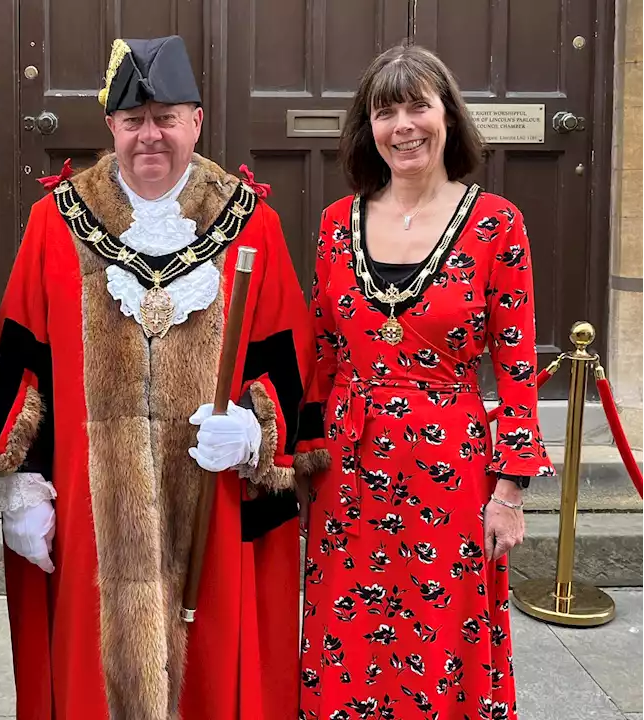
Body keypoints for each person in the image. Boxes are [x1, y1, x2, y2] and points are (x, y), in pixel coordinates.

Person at [0, 35, 319, 720]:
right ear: (111, 125)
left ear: (197, 121)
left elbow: (291, 362)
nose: (150, 136)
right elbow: (22, 366)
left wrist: (256, 433)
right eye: (134, 120)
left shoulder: (253, 223)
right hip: (90, 514)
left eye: (167, 117)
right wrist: (21, 486)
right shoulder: (56, 223)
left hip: (215, 507)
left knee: (213, 671)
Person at [295, 44, 554, 720]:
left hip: (451, 470)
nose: (404, 126)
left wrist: (510, 493)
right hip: (347, 470)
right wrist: (296, 457)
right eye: (386, 113)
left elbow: (519, 368)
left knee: (442, 632)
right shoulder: (332, 227)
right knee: (345, 635)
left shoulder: (497, 225)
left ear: (449, 117)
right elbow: (320, 354)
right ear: (367, 128)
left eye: (418, 107)